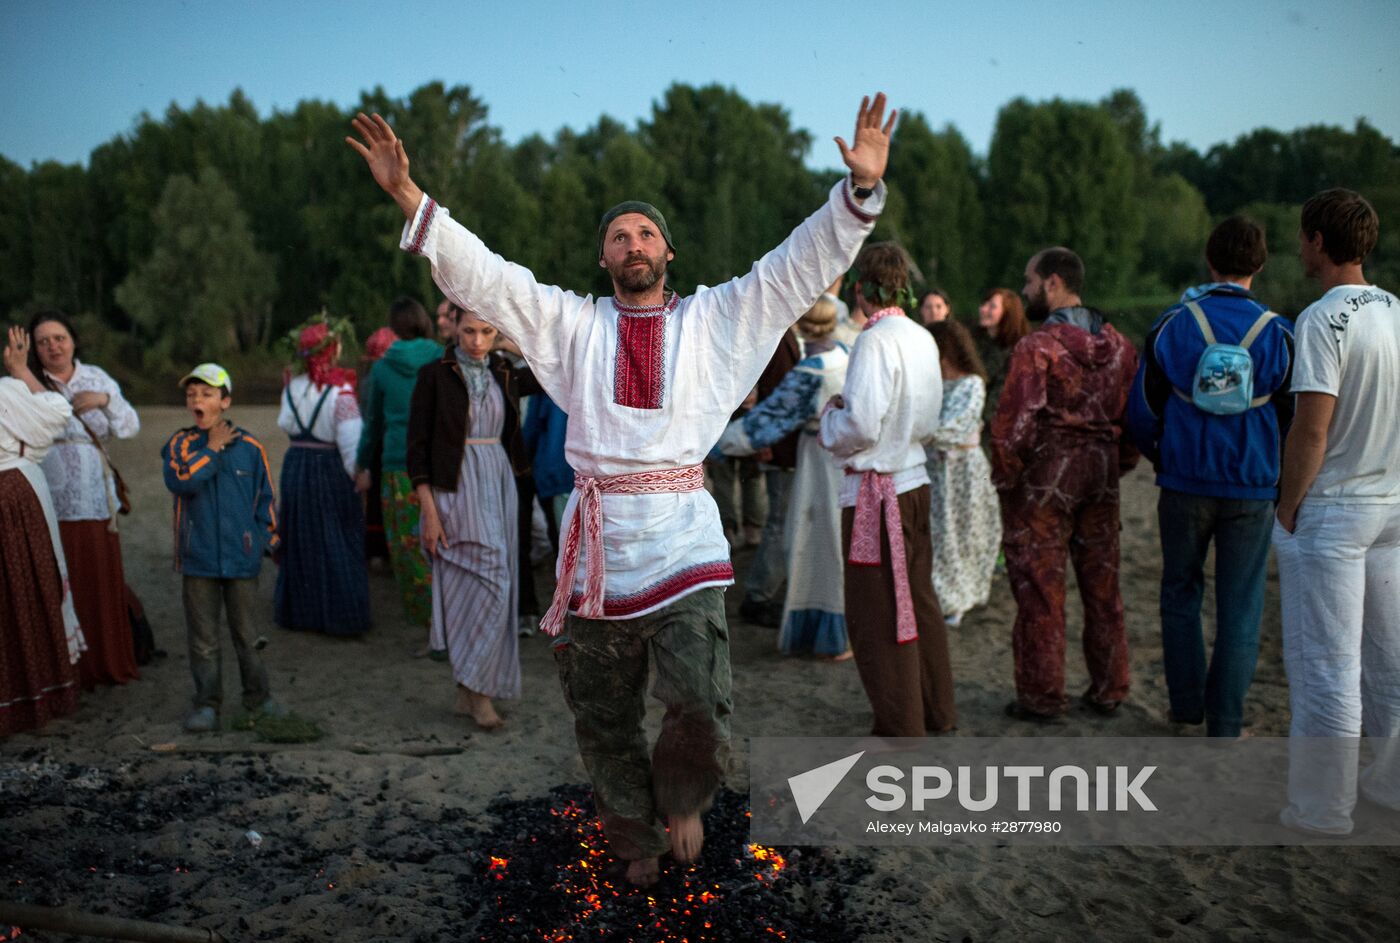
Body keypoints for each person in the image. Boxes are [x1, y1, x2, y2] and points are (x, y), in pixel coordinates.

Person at [348, 92, 894, 885]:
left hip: (684, 544)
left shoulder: (715, 319)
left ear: (668, 251)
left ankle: (683, 797)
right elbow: (488, 276)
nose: (633, 243)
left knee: (700, 700)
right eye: (618, 236)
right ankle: (636, 837)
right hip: (599, 551)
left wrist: (859, 192)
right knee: (603, 717)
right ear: (603, 259)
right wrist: (406, 192)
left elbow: (794, 264)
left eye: (645, 233)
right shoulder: (572, 325)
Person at [1125, 217, 1294, 738]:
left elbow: (1141, 409)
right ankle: (1225, 723)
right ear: (1260, 264)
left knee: (1180, 591)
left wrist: (1163, 457)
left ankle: (1185, 708)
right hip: (1253, 487)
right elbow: (1295, 417)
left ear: (1209, 259)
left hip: (1183, 481)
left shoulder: (1173, 324)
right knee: (1241, 605)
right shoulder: (1279, 332)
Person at [1274, 189, 1400, 835]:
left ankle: (1322, 807)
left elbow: (1311, 429)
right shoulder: (1397, 310)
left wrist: (1287, 504)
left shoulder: (1322, 318)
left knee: (1327, 665)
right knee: (1390, 659)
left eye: (1303, 237)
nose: (1300, 248)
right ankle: (1393, 784)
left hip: (1337, 508)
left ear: (1319, 241)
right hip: (1393, 505)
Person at [991, 247, 1139, 722]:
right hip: (1101, 475)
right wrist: (1118, 463)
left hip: (1045, 482)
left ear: (1053, 282)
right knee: (1103, 587)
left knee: (1040, 588)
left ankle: (1042, 696)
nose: (1025, 290)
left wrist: (1007, 479)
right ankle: (1110, 688)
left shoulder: (1037, 348)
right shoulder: (1121, 347)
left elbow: (1013, 426)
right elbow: (1135, 418)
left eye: (1029, 281)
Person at [820, 242, 957, 737]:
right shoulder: (922, 336)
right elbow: (928, 417)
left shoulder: (874, 340)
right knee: (918, 599)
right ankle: (936, 710)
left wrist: (830, 420)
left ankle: (902, 724)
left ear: (861, 289)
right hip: (914, 480)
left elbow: (861, 424)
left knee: (878, 611)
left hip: (878, 492)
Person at [408, 305, 539, 729]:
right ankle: (478, 693)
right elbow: (417, 449)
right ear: (453, 329)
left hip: (498, 482)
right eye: (469, 331)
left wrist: (510, 344)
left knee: (497, 585)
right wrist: (429, 512)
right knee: (474, 588)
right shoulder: (433, 375)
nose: (477, 341)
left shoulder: (504, 370)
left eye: (486, 332)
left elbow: (549, 369)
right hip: (453, 487)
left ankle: (469, 690)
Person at [717, 296, 852, 658]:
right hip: (837, 457)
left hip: (816, 459)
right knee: (831, 536)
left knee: (812, 539)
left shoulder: (812, 371)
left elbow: (768, 421)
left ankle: (826, 634)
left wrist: (714, 444)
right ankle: (840, 628)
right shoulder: (844, 354)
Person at [162, 363, 282, 732]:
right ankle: (207, 704)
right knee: (203, 640)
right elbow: (181, 481)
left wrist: (261, 542)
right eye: (191, 394)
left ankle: (259, 698)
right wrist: (212, 449)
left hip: (241, 560)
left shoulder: (251, 447)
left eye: (207, 393)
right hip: (197, 559)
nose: (197, 399)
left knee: (247, 635)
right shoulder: (180, 444)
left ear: (225, 401)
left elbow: (265, 500)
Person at [27, 310, 141, 688]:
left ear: (73, 340)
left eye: (59, 338)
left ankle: (103, 661)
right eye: (43, 342)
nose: (53, 347)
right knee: (59, 577)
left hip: (94, 496)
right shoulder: (26, 383)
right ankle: (64, 669)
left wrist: (105, 399)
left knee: (96, 577)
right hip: (48, 495)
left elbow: (130, 427)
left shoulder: (96, 377)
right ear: (34, 349)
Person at [0, 326, 84, 736]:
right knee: (25, 586)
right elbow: (58, 411)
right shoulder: (9, 392)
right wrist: (20, 370)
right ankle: (36, 694)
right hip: (15, 494)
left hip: (15, 489)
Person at [274, 315, 370, 636]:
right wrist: (358, 474)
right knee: (336, 536)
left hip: (296, 466)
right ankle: (340, 615)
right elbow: (351, 441)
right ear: (332, 350)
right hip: (329, 468)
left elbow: (285, 423)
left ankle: (301, 613)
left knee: (301, 536)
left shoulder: (292, 387)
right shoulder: (341, 392)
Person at [354, 299, 443, 633]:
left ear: (393, 327)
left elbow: (373, 424)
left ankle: (428, 622)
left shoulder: (381, 368)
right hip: (438, 464)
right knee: (446, 541)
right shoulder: (441, 356)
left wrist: (362, 463)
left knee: (407, 546)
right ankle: (451, 618)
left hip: (397, 465)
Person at [925, 320, 1001, 627]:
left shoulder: (971, 384)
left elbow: (954, 428)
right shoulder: (932, 384)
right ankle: (941, 594)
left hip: (963, 470)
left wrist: (915, 434)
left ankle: (958, 598)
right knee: (938, 533)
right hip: (935, 470)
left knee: (964, 532)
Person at [737, 326, 803, 628]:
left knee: (781, 520)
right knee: (779, 522)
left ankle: (763, 592)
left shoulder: (782, 333)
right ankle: (758, 596)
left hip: (782, 442)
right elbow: (773, 392)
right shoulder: (778, 334)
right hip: (780, 445)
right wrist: (766, 440)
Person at [359, 326, 398, 563]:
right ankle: (386, 549)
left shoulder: (367, 380)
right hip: (387, 443)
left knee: (373, 499)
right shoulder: (386, 378)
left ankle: (374, 549)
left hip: (373, 444)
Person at [522, 391, 573, 554]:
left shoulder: (547, 384)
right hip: (596, 478)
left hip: (557, 474)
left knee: (564, 549)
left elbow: (531, 428)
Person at [974, 287, 1030, 426]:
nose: (983, 309)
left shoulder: (1017, 352)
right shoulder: (973, 341)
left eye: (992, 306)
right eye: (984, 304)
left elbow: (1001, 395)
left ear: (1008, 313)